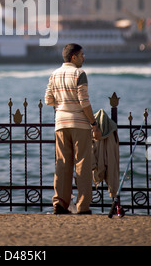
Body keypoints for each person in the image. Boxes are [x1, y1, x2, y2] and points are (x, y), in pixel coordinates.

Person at [45, 43, 101, 215]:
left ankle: (60, 203)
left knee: (62, 164)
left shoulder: (54, 74)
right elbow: (84, 102)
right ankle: (82, 206)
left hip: (61, 124)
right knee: (82, 165)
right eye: (82, 55)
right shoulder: (80, 74)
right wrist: (94, 123)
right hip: (79, 124)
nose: (84, 58)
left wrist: (62, 105)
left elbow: (48, 99)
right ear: (74, 57)